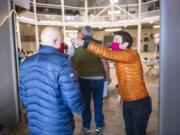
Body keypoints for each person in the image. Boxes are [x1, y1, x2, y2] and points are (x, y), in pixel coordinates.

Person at [79, 30, 152, 135]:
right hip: (127, 101)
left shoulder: (131, 54)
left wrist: (85, 44)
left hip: (139, 102)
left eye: (117, 40)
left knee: (139, 132)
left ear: (125, 44)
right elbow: (123, 78)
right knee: (129, 131)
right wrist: (120, 94)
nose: (113, 42)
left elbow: (107, 53)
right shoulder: (120, 55)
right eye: (114, 40)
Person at [19, 27, 83, 135]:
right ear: (54, 41)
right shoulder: (62, 62)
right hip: (58, 124)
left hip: (35, 123)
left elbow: (24, 98)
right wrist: (79, 109)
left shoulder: (26, 63)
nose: (61, 44)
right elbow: (71, 96)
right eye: (61, 41)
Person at [72, 26, 111, 134]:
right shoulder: (98, 44)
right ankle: (99, 125)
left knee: (85, 103)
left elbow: (73, 61)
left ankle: (86, 126)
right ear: (92, 33)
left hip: (83, 79)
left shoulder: (76, 45)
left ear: (82, 33)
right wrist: (107, 75)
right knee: (98, 103)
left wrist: (74, 72)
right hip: (98, 79)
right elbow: (104, 62)